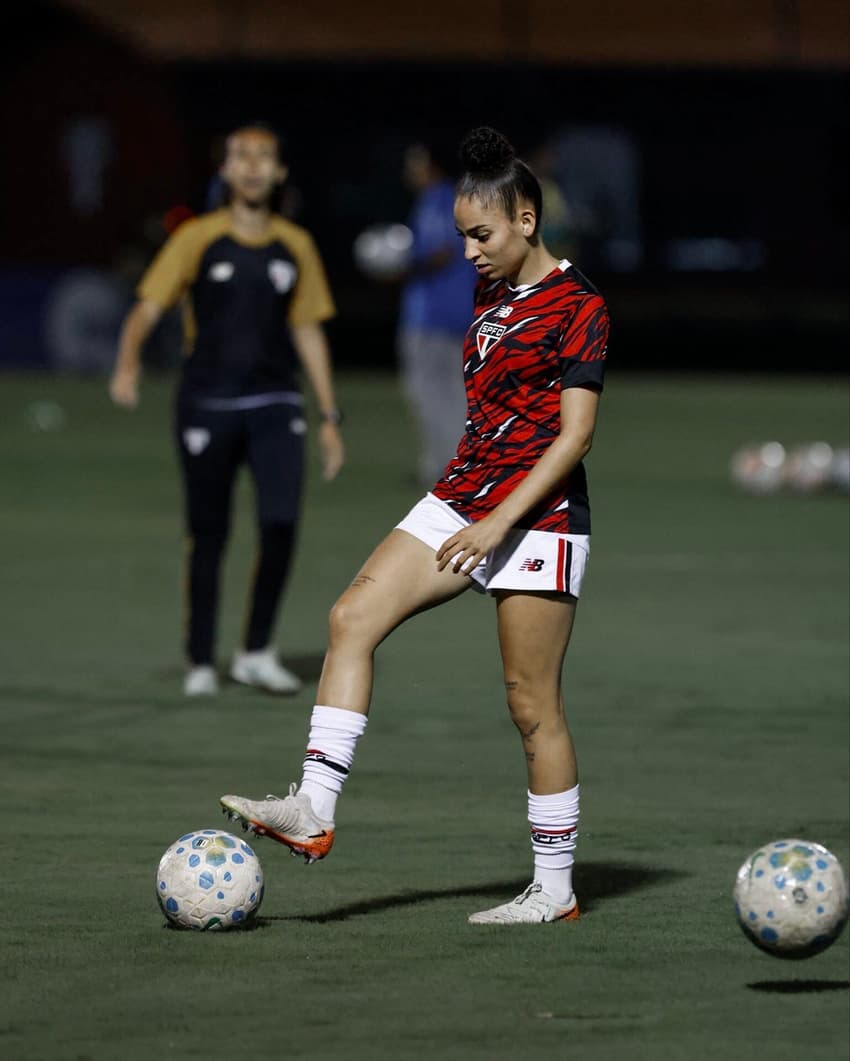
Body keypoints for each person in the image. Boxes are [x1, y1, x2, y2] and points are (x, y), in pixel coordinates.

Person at [221, 126, 609, 924]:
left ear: (526, 219)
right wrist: (471, 501)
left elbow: (574, 436)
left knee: (531, 703)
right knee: (350, 617)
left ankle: (554, 888)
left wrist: (500, 520)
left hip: (539, 517)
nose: (467, 251)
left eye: (481, 234)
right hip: (464, 496)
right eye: (462, 234)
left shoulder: (582, 305)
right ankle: (316, 809)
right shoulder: (489, 294)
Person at [109, 122, 345, 697]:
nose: (253, 165)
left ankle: (256, 650)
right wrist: (128, 363)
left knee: (281, 524)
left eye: (264, 156)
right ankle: (199, 661)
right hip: (206, 403)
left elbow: (309, 329)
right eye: (241, 155)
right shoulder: (197, 237)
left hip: (275, 401)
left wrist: (330, 418)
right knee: (209, 534)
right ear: (226, 169)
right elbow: (147, 305)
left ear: (280, 172)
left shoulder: (296, 245)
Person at [397, 139, 477, 485]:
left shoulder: (438, 200)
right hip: (464, 310)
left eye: (414, 162)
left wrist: (400, 265)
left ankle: (445, 466)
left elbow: (441, 251)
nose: (409, 170)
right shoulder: (463, 198)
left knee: (426, 391)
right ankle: (460, 464)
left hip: (433, 315)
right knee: (457, 394)